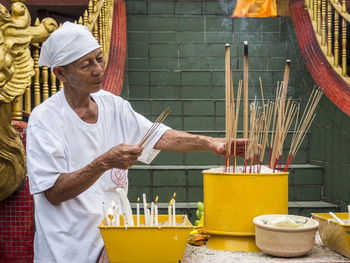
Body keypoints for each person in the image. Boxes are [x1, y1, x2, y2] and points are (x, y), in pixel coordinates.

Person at [26, 22, 247, 263]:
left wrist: (211, 143)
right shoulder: (45, 120)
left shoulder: (113, 105)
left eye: (99, 59)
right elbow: (54, 193)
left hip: (111, 244)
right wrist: (104, 162)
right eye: (86, 65)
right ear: (61, 74)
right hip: (66, 251)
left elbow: (158, 135)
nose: (99, 69)